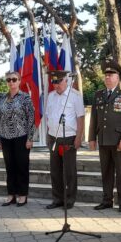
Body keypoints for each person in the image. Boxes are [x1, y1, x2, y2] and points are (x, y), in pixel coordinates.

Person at [88, 59, 121, 213]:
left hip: (118, 140)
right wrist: (91, 138)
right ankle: (107, 200)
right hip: (103, 139)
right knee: (106, 172)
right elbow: (94, 118)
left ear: (118, 77)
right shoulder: (99, 95)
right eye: (106, 75)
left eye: (111, 74)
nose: (107, 77)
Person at [45, 70, 85, 210]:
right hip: (54, 137)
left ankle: (69, 199)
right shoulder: (50, 96)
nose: (56, 85)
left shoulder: (75, 96)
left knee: (69, 171)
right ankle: (57, 199)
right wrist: (47, 135)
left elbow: (80, 118)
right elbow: (48, 117)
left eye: (58, 82)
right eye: (54, 82)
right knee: (55, 170)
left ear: (66, 81)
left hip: (69, 137)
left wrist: (79, 137)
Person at [0, 71, 35, 207]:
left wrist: (30, 138)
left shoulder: (25, 98)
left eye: (14, 79)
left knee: (22, 166)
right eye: (8, 80)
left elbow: (31, 119)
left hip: (21, 136)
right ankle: (11, 195)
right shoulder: (2, 98)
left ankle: (23, 195)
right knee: (9, 167)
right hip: (5, 137)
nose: (11, 82)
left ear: (19, 81)